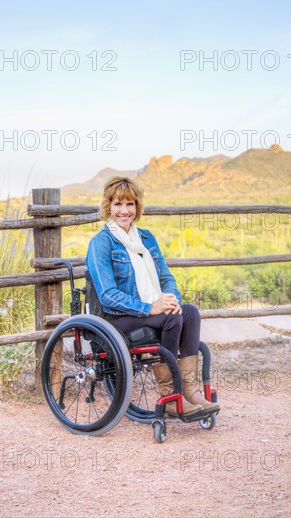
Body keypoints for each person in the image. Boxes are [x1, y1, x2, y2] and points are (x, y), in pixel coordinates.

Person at [86, 176, 219, 416]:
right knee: (172, 319)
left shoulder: (146, 238)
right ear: (108, 206)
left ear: (137, 207)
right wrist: (149, 307)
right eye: (118, 204)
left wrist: (171, 299)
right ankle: (169, 396)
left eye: (130, 204)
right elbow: (107, 295)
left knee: (188, 312)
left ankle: (190, 391)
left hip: (149, 309)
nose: (124, 211)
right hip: (117, 317)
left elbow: (166, 277)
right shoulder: (101, 244)